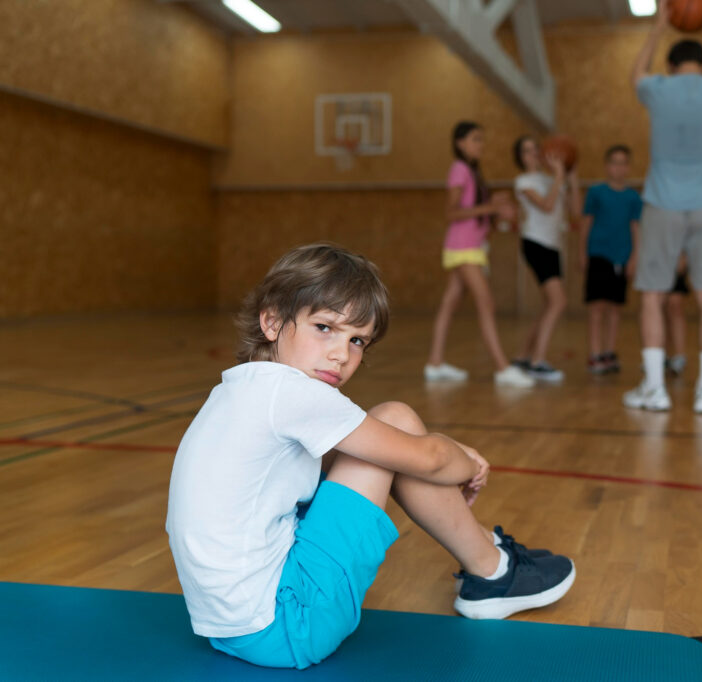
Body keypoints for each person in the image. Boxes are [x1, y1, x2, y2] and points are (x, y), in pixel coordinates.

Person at [166, 244, 575, 670]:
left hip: (228, 628)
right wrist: (469, 462)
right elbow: (433, 460)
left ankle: (486, 553)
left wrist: (436, 453)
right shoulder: (292, 393)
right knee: (395, 420)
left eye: (356, 340)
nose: (341, 354)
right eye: (324, 327)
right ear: (271, 321)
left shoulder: (236, 389)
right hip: (289, 626)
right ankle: (493, 571)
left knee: (380, 442)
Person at [625, 0, 702, 414]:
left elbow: (636, 74)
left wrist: (658, 26)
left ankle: (656, 389)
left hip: (663, 203)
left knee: (653, 295)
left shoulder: (658, 89)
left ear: (669, 66)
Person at [426, 121, 534, 388]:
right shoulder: (459, 169)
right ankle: (502, 368)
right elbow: (451, 212)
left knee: (449, 304)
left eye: (481, 139)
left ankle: (435, 363)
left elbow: (477, 213)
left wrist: (495, 208)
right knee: (486, 303)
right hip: (463, 249)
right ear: (460, 143)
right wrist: (490, 207)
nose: (480, 144)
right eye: (475, 139)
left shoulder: (473, 171)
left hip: (471, 247)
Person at [511, 135, 581, 383]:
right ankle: (537, 362)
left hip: (553, 246)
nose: (534, 153)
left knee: (549, 304)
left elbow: (576, 212)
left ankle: (523, 356)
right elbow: (547, 206)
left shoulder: (552, 179)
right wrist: (560, 176)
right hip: (535, 243)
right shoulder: (523, 181)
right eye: (527, 150)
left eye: (536, 148)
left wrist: (572, 177)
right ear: (520, 157)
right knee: (558, 302)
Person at [580, 144, 642, 375]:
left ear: (628, 167)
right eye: (614, 163)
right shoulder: (596, 192)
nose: (618, 167)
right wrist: (582, 252)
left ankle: (609, 352)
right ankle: (595, 353)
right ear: (607, 166)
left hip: (622, 256)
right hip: (598, 253)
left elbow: (635, 228)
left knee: (615, 307)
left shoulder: (633, 197)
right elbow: (586, 223)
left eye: (623, 163)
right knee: (597, 306)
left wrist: (634, 257)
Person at [665, 256, 691, 376]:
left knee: (675, 304)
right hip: (657, 257)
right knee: (658, 307)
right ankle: (661, 354)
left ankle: (679, 356)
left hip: (675, 256)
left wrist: (683, 254)